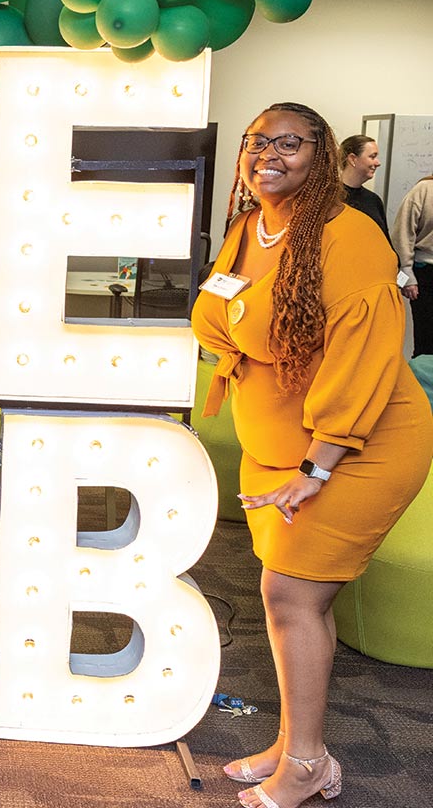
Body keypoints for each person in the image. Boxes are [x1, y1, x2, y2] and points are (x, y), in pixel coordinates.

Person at [192, 103, 432, 808]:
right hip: (283, 450)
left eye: (289, 143)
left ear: (322, 156)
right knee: (295, 600)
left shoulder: (348, 235)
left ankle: (305, 764)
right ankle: (299, 746)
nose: (268, 153)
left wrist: (317, 466)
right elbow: (228, 319)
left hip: (355, 449)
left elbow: (365, 358)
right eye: (256, 141)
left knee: (290, 595)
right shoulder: (249, 228)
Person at [391, 173, 433, 357]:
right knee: (426, 345)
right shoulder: (424, 189)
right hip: (426, 274)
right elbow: (402, 232)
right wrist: (406, 274)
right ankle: (421, 385)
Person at [337, 134, 388, 238]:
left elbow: (384, 240)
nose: (378, 163)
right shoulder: (328, 197)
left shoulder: (373, 200)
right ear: (352, 159)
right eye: (372, 157)